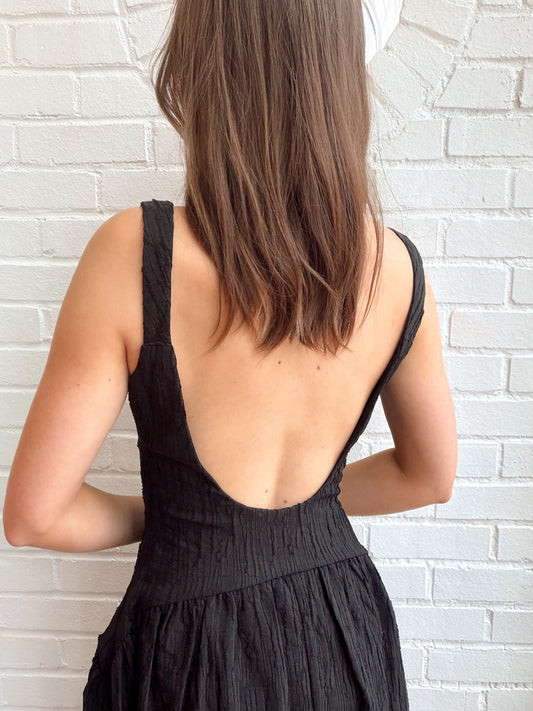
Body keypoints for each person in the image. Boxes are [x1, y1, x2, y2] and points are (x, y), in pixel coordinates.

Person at [3, 0, 457, 708]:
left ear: (207, 68)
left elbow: (34, 514)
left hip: (189, 656)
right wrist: (300, 513)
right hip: (339, 633)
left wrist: (178, 514)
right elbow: (428, 475)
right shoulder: (396, 268)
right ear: (339, 76)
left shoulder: (134, 255)